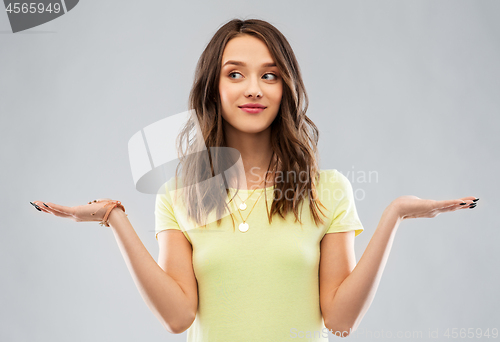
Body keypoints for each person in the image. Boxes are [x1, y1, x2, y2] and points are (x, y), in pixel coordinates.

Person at [31, 18, 479, 341]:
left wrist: (394, 215)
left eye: (270, 75)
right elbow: (178, 317)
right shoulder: (178, 196)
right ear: (214, 88)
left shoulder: (328, 191)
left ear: (285, 89)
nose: (253, 88)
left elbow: (340, 322)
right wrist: (113, 217)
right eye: (235, 74)